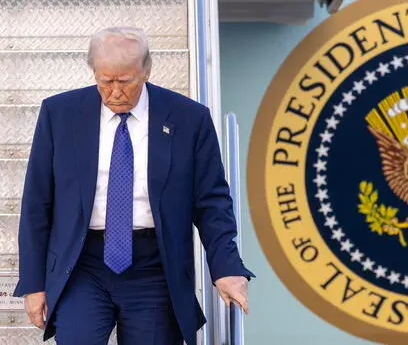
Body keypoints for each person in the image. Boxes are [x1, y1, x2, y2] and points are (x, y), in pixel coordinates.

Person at [12, 27, 254, 345]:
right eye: (105, 81)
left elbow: (211, 201)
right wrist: (33, 282)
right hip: (81, 263)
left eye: (125, 82)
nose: (115, 92)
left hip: (154, 266)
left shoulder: (188, 119)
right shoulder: (60, 114)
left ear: (146, 70)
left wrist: (226, 267)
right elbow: (37, 203)